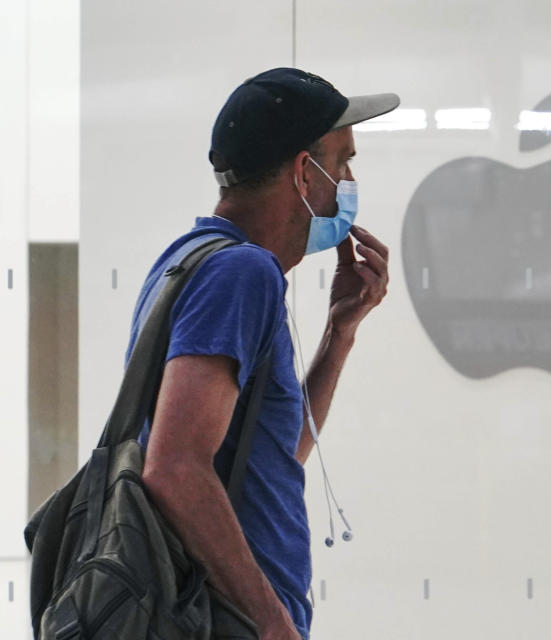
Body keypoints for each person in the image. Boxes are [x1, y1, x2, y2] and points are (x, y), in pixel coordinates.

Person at [124, 68, 399, 640]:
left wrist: (338, 333)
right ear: (304, 172)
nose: (347, 181)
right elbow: (175, 468)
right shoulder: (240, 272)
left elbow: (272, 454)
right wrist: (274, 626)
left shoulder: (196, 261)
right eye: (342, 163)